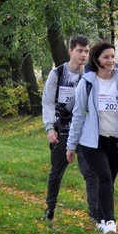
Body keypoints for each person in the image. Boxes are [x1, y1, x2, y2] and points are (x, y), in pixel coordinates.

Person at [66, 41, 118, 234]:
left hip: (117, 141)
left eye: (113, 57)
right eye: (106, 57)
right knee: (104, 178)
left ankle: (99, 219)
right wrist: (71, 145)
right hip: (92, 142)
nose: (111, 61)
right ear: (97, 59)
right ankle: (110, 222)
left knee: (109, 181)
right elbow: (78, 114)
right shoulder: (87, 83)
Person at [41, 35, 90, 222]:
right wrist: (49, 128)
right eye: (79, 51)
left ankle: (95, 213)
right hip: (61, 130)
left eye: (86, 51)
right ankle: (50, 208)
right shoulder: (58, 74)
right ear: (71, 50)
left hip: (85, 131)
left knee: (90, 172)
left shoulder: (90, 75)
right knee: (57, 171)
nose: (83, 55)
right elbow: (47, 102)